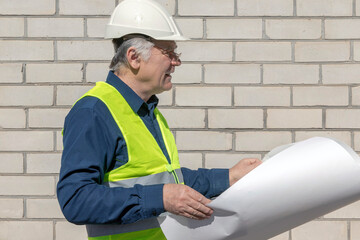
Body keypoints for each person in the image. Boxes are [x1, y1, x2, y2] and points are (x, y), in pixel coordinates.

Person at [56, 0, 262, 239]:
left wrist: (229, 177)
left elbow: (172, 179)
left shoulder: (148, 111)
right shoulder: (93, 112)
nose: (176, 62)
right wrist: (162, 197)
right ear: (134, 57)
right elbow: (76, 199)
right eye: (169, 52)